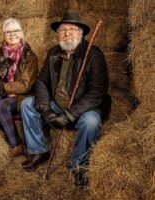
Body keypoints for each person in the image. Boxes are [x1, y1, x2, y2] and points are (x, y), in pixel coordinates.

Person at [20, 10, 111, 186]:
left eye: (72, 29)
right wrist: (45, 109)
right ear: (58, 34)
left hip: (83, 108)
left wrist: (69, 115)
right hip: (57, 104)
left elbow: (97, 93)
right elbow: (41, 82)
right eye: (62, 29)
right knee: (26, 104)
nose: (67, 33)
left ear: (81, 33)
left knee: (91, 122)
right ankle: (39, 150)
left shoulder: (94, 56)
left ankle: (78, 165)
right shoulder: (54, 53)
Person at [0, 18, 39, 158]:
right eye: (8, 32)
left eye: (16, 31)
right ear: (3, 35)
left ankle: (16, 144)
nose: (12, 34)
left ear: (21, 33)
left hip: (21, 95)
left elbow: (25, 86)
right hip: (3, 90)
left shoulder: (29, 57)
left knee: (0, 107)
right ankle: (2, 135)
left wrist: (2, 86)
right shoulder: (1, 51)